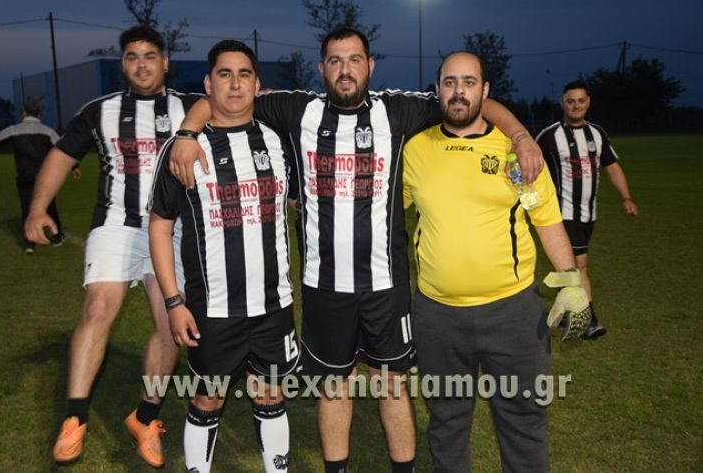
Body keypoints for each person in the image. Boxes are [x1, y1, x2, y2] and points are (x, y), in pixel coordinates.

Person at [168, 27, 544, 472]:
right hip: (325, 285)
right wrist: (187, 132)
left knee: (392, 384)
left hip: (386, 285)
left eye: (354, 60)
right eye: (335, 60)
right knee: (334, 385)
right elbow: (224, 98)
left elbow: (469, 100)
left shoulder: (397, 110)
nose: (345, 69)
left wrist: (520, 135)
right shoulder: (297, 109)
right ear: (322, 68)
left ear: (370, 65)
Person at [403, 51, 589, 473]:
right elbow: (386, 211)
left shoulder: (517, 152)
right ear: (437, 90)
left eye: (469, 82)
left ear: (485, 91)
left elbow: (546, 219)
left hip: (512, 313)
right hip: (437, 315)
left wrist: (571, 281)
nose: (459, 92)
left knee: (524, 418)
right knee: (446, 420)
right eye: (450, 82)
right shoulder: (415, 149)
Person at [24, 25, 201, 467]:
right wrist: (38, 208)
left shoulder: (189, 108)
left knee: (171, 324)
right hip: (116, 224)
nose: (141, 65)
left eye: (149, 56)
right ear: (123, 64)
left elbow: (228, 113)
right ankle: (75, 417)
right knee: (98, 309)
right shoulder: (99, 111)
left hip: (172, 229)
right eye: (132, 57)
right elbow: (61, 156)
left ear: (165, 62)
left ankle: (145, 418)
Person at [148, 39, 298, 473]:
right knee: (208, 396)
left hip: (273, 304)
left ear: (257, 85)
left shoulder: (278, 141)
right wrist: (173, 302)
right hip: (212, 308)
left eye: (244, 74)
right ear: (208, 84)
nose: (235, 84)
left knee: (270, 393)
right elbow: (159, 226)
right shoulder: (183, 149)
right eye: (225, 74)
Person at [536, 80, 638, 340]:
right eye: (570, 101)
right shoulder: (549, 136)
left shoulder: (597, 134)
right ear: (562, 103)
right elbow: (529, 164)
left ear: (588, 102)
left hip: (588, 213)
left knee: (570, 265)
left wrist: (626, 197)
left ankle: (566, 309)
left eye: (581, 101)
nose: (576, 106)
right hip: (562, 213)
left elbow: (612, 167)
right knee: (579, 264)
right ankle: (588, 318)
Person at [0, 103, 79, 253]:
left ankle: (29, 243)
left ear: (24, 114)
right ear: (39, 115)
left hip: (24, 175)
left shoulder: (13, 130)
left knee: (27, 207)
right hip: (45, 176)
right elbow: (64, 149)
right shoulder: (48, 131)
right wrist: (74, 167)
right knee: (49, 205)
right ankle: (57, 237)